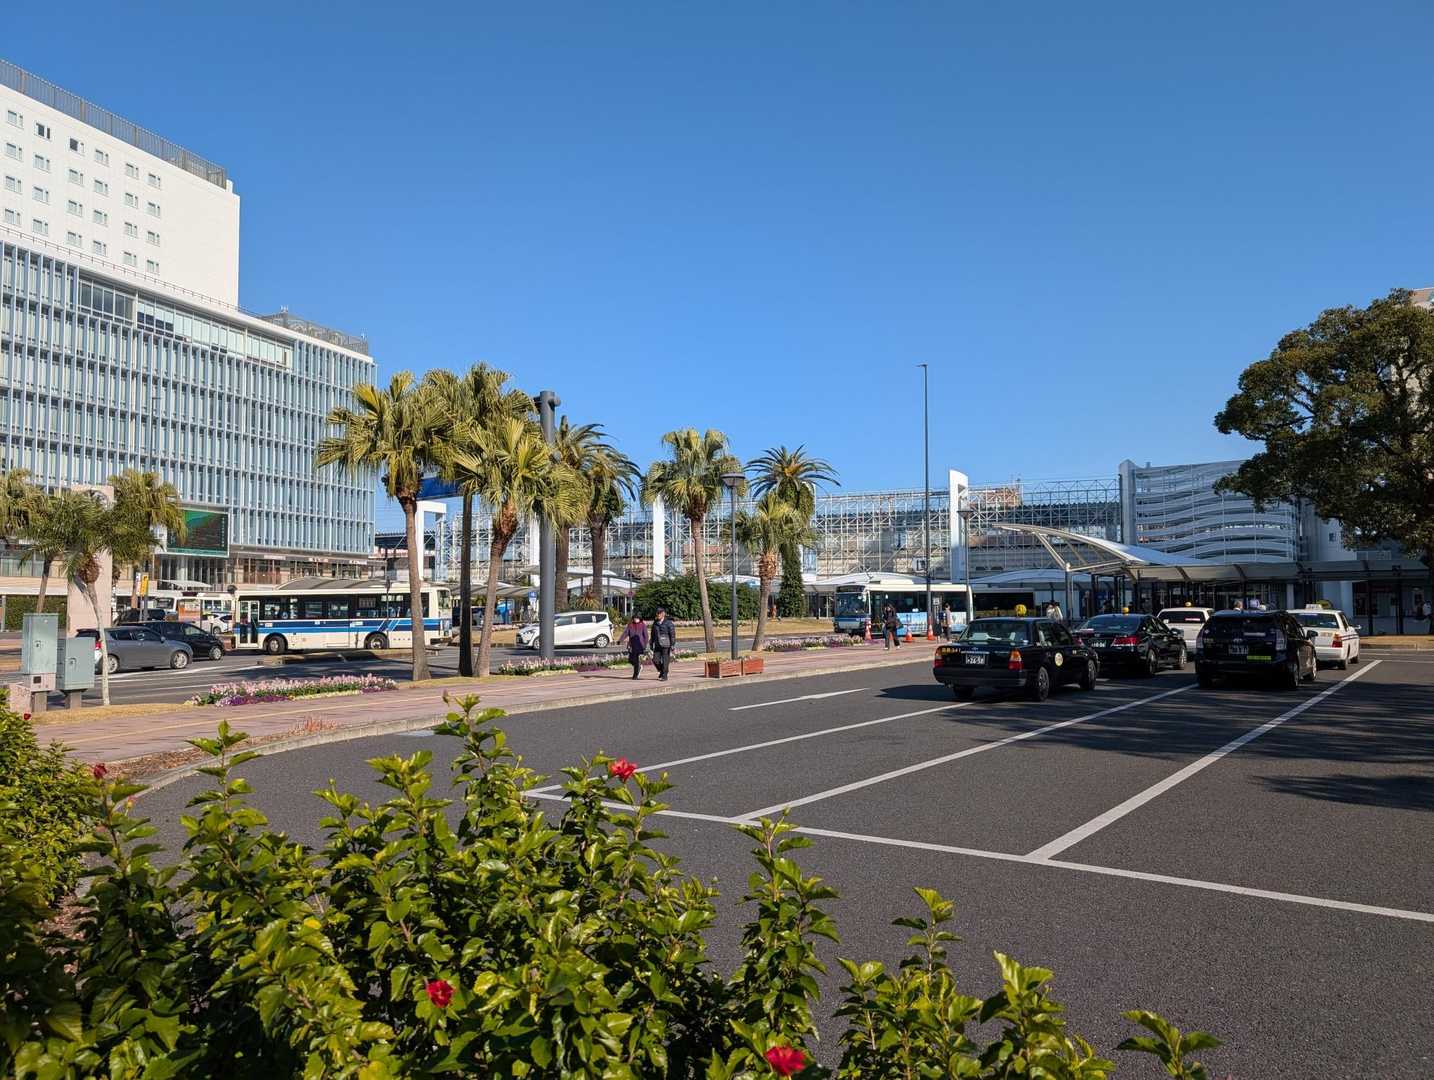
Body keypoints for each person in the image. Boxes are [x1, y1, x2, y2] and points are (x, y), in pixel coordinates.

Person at [617, 614, 648, 679]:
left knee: (636, 660)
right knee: (631, 660)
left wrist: (645, 644)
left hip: (640, 645)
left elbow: (646, 636)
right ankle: (639, 667)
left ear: (639, 619)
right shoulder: (630, 625)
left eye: (637, 618)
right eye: (634, 618)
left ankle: (635, 675)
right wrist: (620, 640)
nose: (635, 619)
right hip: (632, 645)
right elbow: (625, 633)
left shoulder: (642, 625)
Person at [650, 607, 677, 680]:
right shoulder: (655, 623)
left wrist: (672, 645)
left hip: (666, 644)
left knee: (665, 660)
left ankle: (665, 675)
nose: (658, 615)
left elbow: (672, 635)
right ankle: (662, 671)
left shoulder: (669, 623)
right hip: (657, 644)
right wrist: (651, 643)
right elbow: (652, 634)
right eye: (657, 613)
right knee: (655, 660)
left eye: (659, 613)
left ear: (663, 614)